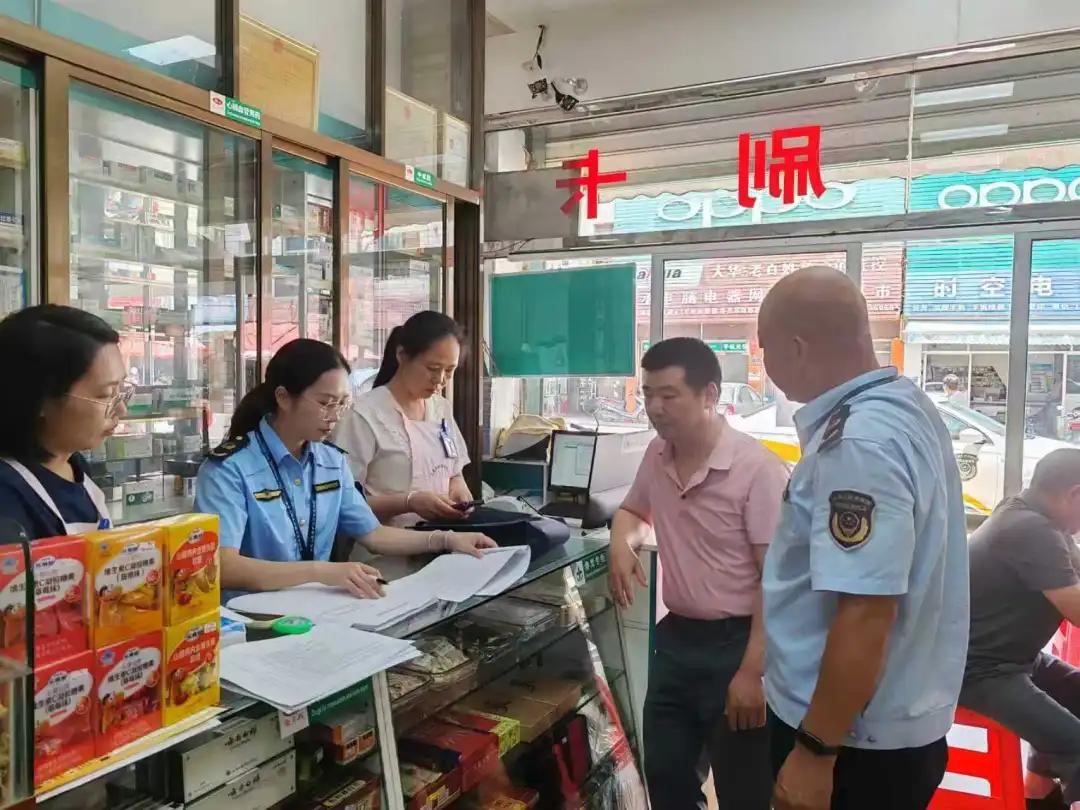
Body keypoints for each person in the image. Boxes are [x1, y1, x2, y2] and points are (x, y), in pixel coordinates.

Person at [758, 267, 968, 810]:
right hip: (880, 724)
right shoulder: (904, 406)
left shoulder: (858, 443)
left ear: (796, 348)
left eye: (765, 349)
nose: (767, 365)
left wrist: (814, 752)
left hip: (847, 742)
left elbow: (866, 611)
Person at [608, 337, 788, 810]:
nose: (655, 407)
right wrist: (620, 544)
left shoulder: (758, 470)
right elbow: (632, 511)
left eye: (669, 395)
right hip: (676, 641)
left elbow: (776, 581)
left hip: (738, 645)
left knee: (744, 789)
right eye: (648, 394)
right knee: (666, 776)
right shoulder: (657, 453)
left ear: (709, 394)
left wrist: (753, 671)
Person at [194, 339, 495, 602]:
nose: (335, 417)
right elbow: (223, 566)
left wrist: (447, 539)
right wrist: (319, 572)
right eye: (325, 403)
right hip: (251, 624)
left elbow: (373, 534)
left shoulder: (331, 461)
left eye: (342, 405)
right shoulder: (230, 469)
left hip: (318, 614)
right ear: (283, 397)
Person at [960, 449, 1080, 810]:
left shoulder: (1032, 516)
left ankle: (1038, 794)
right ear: (1075, 494)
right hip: (979, 671)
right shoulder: (1030, 529)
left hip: (1015, 659)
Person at [334, 312, 474, 526]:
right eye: (432, 369)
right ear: (402, 355)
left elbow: (454, 470)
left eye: (449, 370)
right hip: (384, 544)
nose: (440, 379)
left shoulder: (441, 409)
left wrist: (458, 487)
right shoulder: (363, 415)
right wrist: (408, 502)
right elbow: (340, 502)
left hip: (443, 538)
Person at [0, 305, 128, 538]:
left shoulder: (74, 465)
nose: (121, 409)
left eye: (120, 390)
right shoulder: (7, 496)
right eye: (105, 395)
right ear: (39, 400)